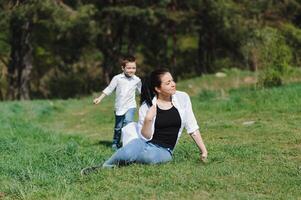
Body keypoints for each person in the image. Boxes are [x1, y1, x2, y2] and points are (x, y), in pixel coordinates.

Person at [81, 68, 207, 175]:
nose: (173, 84)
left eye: (172, 80)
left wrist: (203, 150)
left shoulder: (182, 98)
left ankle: (127, 162)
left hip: (165, 150)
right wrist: (148, 119)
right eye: (168, 83)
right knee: (128, 150)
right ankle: (104, 167)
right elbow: (145, 136)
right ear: (158, 88)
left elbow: (192, 126)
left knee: (149, 156)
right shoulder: (147, 106)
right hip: (145, 143)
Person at [93, 55, 141, 150]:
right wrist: (99, 98)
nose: (131, 70)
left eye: (134, 68)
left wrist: (147, 102)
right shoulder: (117, 78)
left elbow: (141, 92)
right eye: (129, 68)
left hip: (131, 105)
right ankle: (115, 143)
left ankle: (127, 143)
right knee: (118, 127)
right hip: (119, 107)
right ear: (123, 68)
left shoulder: (137, 80)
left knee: (128, 123)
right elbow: (109, 89)